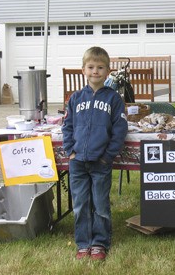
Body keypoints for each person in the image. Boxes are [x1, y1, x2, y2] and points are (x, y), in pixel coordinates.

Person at [62, 46, 128, 261]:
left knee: (100, 204)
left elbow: (120, 129)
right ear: (83, 70)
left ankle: (99, 243)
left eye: (100, 68)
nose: (95, 72)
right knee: (80, 204)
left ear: (108, 72)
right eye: (91, 67)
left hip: (101, 162)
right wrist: (70, 151)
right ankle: (83, 244)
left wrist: (107, 156)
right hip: (78, 162)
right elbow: (67, 126)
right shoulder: (75, 98)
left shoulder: (114, 99)